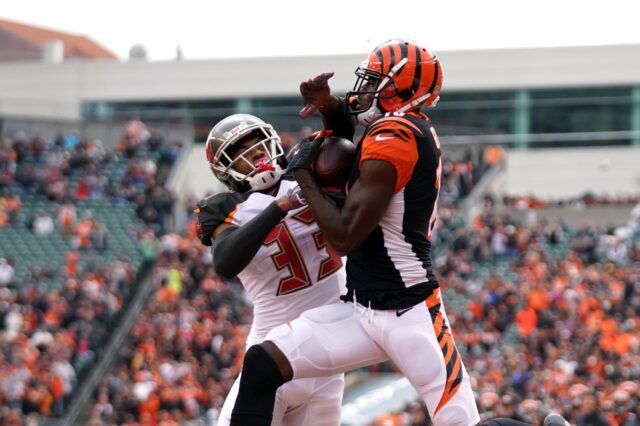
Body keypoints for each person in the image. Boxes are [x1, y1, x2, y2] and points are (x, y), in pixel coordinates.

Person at [229, 39, 568, 426]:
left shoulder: (396, 138)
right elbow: (346, 135)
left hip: (409, 311)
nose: (364, 90)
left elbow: (344, 237)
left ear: (400, 89)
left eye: (375, 81)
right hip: (361, 308)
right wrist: (329, 106)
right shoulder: (398, 127)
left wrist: (304, 175)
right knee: (262, 363)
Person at [194, 113, 346, 426]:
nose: (257, 155)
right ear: (226, 171)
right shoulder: (227, 206)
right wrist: (279, 208)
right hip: (270, 357)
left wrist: (334, 107)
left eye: (259, 145)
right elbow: (224, 263)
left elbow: (344, 142)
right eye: (243, 154)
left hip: (327, 365)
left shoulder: (307, 173)